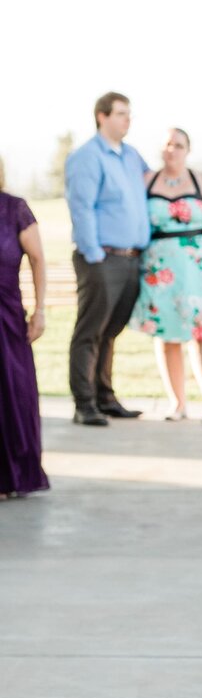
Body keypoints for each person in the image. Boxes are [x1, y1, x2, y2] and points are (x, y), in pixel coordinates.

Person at [128, 128, 202, 424]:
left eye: (178, 145)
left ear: (187, 150)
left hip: (198, 268)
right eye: (168, 144)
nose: (172, 150)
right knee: (167, 337)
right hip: (158, 269)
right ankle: (177, 404)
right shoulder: (146, 182)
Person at [64, 92, 151, 426]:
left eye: (129, 114)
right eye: (120, 114)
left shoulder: (132, 156)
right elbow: (81, 208)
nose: (127, 120)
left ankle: (105, 397)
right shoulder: (86, 157)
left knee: (111, 330)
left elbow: (154, 184)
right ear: (101, 116)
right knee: (90, 330)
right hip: (101, 258)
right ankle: (84, 404)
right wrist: (94, 254)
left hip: (131, 258)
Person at [0, 158, 50, 498]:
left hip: (7, 316)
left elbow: (38, 258)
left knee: (12, 392)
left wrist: (40, 310)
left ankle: (14, 475)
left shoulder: (15, 209)